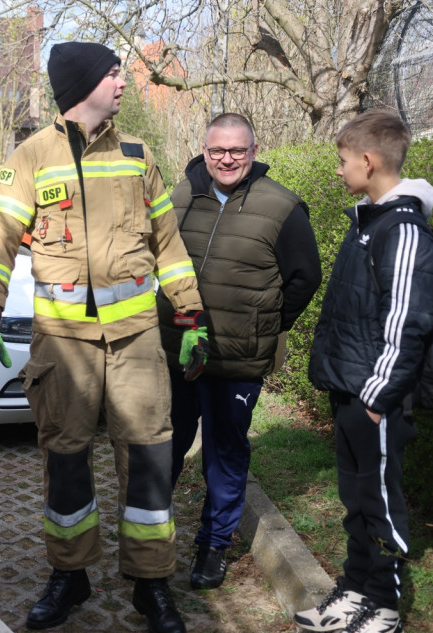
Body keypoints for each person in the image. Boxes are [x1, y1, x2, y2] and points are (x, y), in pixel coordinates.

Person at [0, 41, 204, 633]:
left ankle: (151, 582)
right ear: (83, 83)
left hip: (136, 340)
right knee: (66, 461)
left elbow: (168, 242)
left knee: (149, 460)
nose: (123, 82)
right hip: (63, 345)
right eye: (113, 73)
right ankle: (70, 576)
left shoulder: (137, 154)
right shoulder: (31, 156)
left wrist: (191, 313)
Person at [294, 109, 433, 633]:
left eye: (342, 160)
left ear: (369, 160)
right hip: (352, 391)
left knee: (380, 506)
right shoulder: (370, 223)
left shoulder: (402, 230)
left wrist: (377, 398)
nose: (338, 170)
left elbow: (407, 323)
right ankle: (356, 591)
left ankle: (385, 612)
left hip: (375, 397)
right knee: (357, 501)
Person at [157, 113, 322, 590]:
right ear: (204, 150)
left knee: (224, 454)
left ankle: (213, 546)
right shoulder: (180, 197)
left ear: (253, 151)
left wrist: (265, 327)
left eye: (237, 150)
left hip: (238, 360)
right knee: (164, 446)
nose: (226, 159)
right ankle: (151, 536)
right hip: (177, 351)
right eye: (217, 150)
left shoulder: (283, 207)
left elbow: (305, 277)